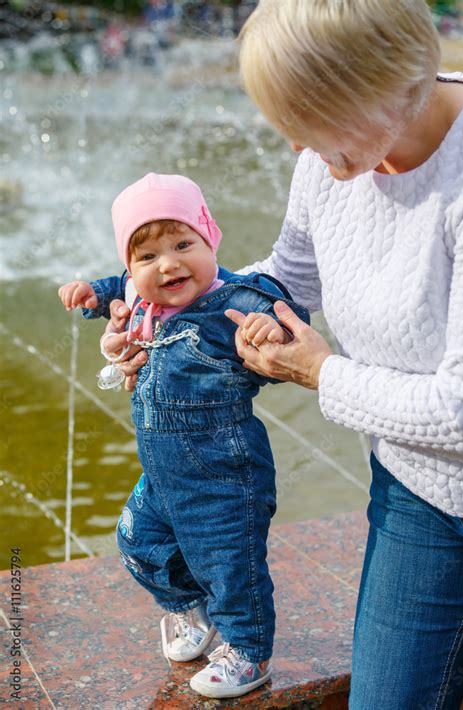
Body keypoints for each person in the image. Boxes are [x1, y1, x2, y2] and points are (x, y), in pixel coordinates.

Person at [103, 1, 463, 707]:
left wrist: (317, 370)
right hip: (421, 490)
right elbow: (286, 280)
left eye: (308, 123)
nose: (296, 150)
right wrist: (171, 321)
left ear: (383, 87)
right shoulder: (334, 159)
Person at [58, 172, 310, 699]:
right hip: (164, 470)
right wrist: (89, 295)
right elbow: (112, 288)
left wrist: (271, 330)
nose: (168, 264)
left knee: (229, 563)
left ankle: (247, 650)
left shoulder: (233, 301)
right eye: (146, 256)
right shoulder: (136, 294)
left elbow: (288, 318)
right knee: (137, 541)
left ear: (209, 237)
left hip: (223, 472)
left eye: (182, 245)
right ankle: (185, 609)